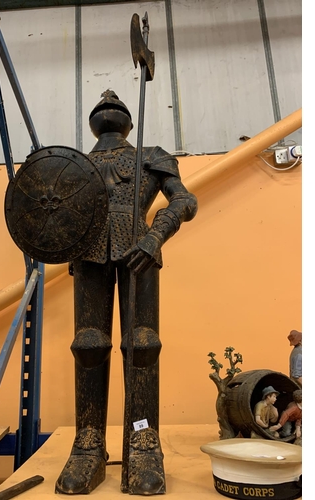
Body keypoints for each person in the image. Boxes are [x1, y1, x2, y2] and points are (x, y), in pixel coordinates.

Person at [54, 90, 198, 496]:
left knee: (142, 343)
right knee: (88, 344)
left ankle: (143, 442)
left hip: (140, 247)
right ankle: (88, 444)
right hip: (88, 251)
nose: (108, 106)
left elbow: (184, 200)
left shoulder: (150, 155)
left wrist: (155, 236)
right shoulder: (74, 165)